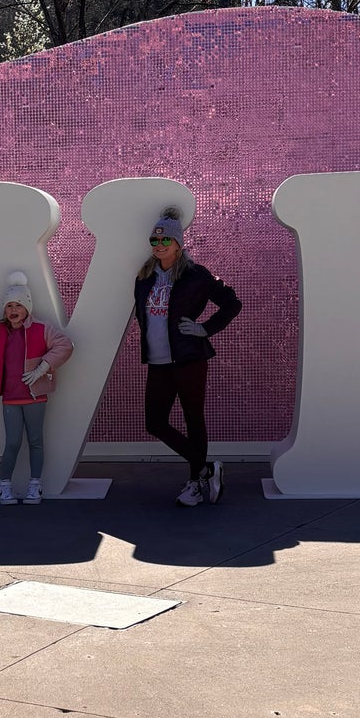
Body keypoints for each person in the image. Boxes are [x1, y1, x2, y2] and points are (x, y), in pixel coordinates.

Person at [134, 208, 240, 507]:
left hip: (188, 359)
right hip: (158, 362)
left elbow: (232, 303)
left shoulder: (196, 275)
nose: (159, 244)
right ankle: (208, 469)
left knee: (193, 419)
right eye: (154, 239)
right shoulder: (144, 277)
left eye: (165, 239)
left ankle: (194, 483)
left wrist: (204, 328)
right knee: (155, 423)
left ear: (178, 243)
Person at [0, 270, 74, 504]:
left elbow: (65, 346)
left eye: (18, 305)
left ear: (27, 307)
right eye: (9, 306)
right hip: (10, 398)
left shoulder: (40, 328)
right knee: (13, 442)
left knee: (36, 441)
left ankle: (35, 486)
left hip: (35, 397)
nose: (13, 310)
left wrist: (42, 368)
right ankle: (4, 486)